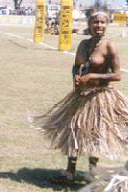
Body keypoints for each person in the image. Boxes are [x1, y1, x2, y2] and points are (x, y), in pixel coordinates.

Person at [29, 11, 128, 183]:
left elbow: (117, 75)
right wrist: (76, 76)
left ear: (107, 25)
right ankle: (70, 172)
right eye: (95, 22)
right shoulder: (83, 44)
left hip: (101, 96)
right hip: (81, 95)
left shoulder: (109, 46)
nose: (99, 26)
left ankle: (92, 174)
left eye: (102, 22)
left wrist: (92, 77)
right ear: (89, 25)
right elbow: (76, 66)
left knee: (95, 135)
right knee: (74, 130)